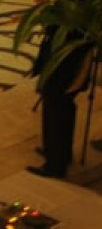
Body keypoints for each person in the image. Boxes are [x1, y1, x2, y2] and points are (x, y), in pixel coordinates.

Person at [27, 25, 94, 178]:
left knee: (56, 106)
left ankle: (55, 164)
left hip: (65, 59)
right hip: (71, 53)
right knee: (60, 104)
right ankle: (59, 152)